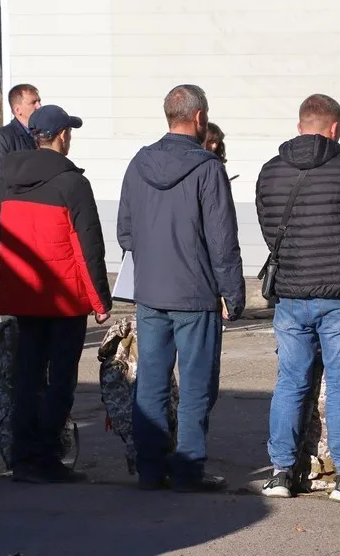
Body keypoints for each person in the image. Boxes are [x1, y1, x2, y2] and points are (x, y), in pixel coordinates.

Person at [255, 93, 340, 503]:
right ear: (335, 129)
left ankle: (280, 473)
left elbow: (269, 231)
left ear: (300, 126)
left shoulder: (270, 172)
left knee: (290, 382)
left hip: (290, 295)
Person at [118, 85, 246, 493]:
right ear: (199, 117)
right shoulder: (208, 168)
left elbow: (125, 233)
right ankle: (189, 470)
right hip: (195, 293)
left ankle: (150, 469)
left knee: (150, 383)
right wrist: (233, 294)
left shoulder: (139, 163)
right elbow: (222, 241)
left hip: (150, 292)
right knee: (196, 386)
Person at [0, 105, 112, 483]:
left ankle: (23, 458)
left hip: (24, 293)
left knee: (26, 377)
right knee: (60, 381)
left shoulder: (8, 181)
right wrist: (100, 302)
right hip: (63, 298)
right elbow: (88, 248)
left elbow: (0, 235)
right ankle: (46, 457)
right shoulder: (72, 184)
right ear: (62, 136)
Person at [0, 84, 41, 247]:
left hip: (37, 220)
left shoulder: (39, 135)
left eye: (39, 101)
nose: (39, 106)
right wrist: (8, 221)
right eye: (33, 102)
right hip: (12, 224)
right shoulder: (3, 138)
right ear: (18, 109)